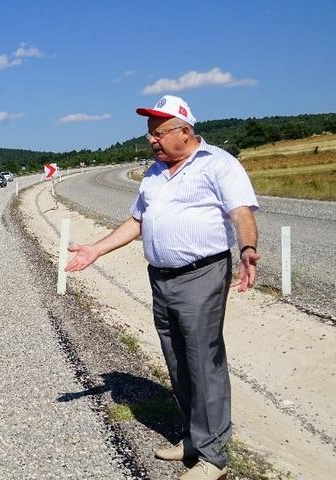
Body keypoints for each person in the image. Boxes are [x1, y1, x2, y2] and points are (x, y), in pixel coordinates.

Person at [65, 95, 260, 480]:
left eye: (159, 133)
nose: (152, 140)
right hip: (162, 277)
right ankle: (193, 436)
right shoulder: (155, 173)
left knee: (204, 362)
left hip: (201, 273)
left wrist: (248, 248)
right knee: (177, 359)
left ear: (185, 132)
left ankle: (214, 458)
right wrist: (96, 250)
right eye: (150, 134)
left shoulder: (218, 164)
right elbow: (137, 221)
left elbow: (241, 210)